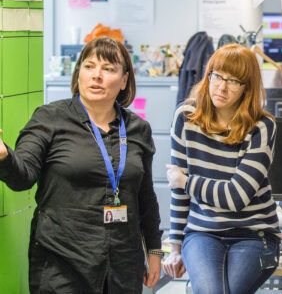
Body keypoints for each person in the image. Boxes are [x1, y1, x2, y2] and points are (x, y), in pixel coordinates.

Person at [0, 36, 162, 293]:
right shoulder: (49, 119)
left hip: (123, 263)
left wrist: (154, 249)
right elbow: (23, 176)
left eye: (108, 69)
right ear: (78, 75)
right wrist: (4, 156)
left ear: (124, 81)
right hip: (62, 262)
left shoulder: (138, 129)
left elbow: (145, 196)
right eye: (89, 66)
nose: (96, 75)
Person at [163, 43, 280, 294]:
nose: (222, 87)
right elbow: (178, 195)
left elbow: (235, 197)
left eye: (234, 81)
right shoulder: (185, 117)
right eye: (217, 76)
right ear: (208, 75)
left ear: (247, 88)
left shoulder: (262, 126)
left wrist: (185, 181)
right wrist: (175, 246)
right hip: (203, 232)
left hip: (256, 235)